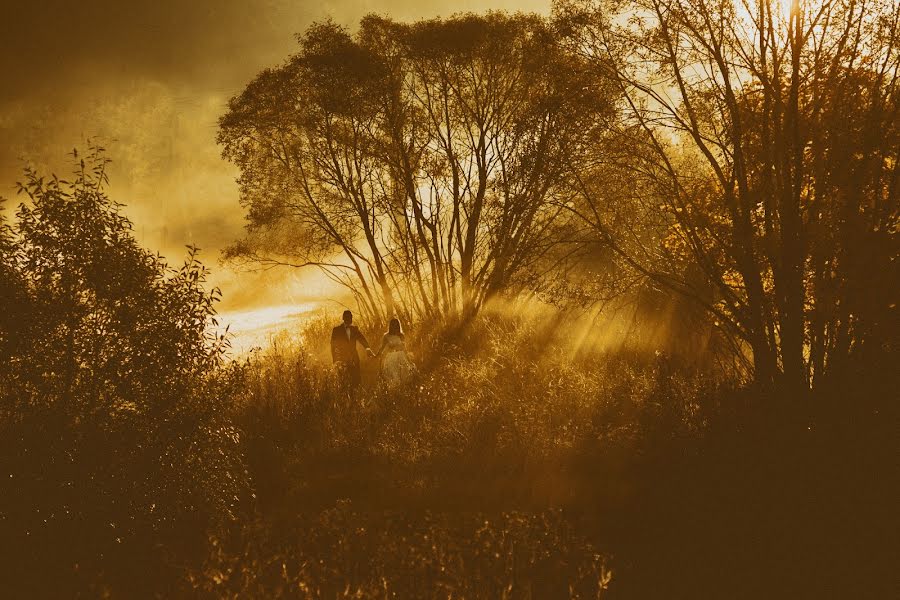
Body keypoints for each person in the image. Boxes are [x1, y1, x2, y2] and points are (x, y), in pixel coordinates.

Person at [330, 310, 374, 391]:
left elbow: (362, 339)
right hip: (342, 359)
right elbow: (333, 345)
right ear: (343, 318)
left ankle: (356, 397)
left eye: (351, 316)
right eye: (348, 316)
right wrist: (335, 360)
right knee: (344, 381)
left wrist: (367, 348)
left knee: (356, 380)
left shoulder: (355, 329)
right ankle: (346, 399)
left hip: (354, 358)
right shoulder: (336, 330)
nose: (350, 318)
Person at [374, 317, 416, 388]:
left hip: (401, 356)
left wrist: (408, 358)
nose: (394, 326)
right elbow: (382, 347)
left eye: (396, 325)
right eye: (393, 325)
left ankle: (402, 391)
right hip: (391, 358)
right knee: (394, 375)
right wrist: (377, 355)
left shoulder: (401, 335)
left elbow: (404, 348)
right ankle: (395, 391)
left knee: (404, 374)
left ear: (398, 325)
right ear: (390, 326)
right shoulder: (386, 336)